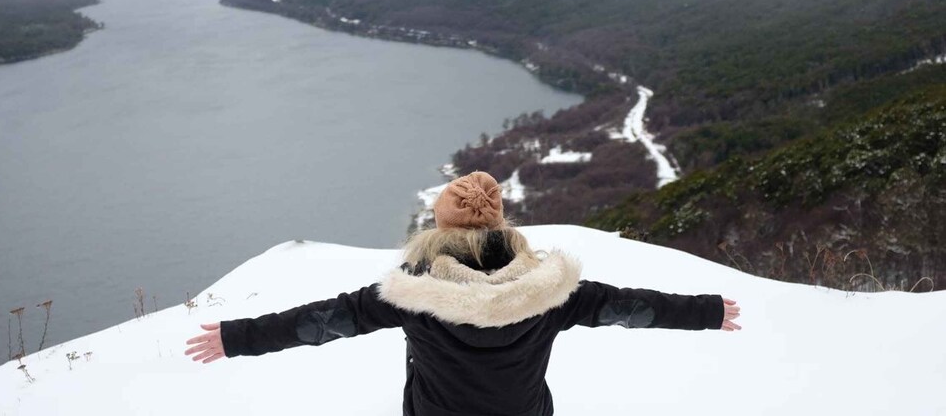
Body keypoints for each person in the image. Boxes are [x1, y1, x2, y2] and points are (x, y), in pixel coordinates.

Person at [185, 171, 741, 416]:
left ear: (439, 229)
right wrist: (708, 312)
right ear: (500, 223)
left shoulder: (411, 292)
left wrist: (236, 338)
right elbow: (632, 309)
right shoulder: (551, 290)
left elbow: (323, 321)